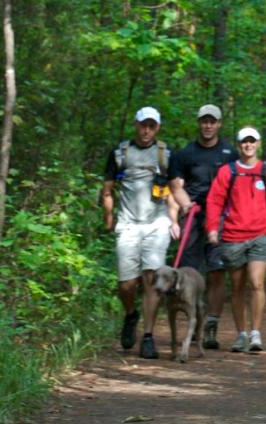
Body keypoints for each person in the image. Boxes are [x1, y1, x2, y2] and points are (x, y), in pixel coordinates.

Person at [205, 127, 266, 353]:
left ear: (258, 144)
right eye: (244, 142)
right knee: (237, 287)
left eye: (252, 141)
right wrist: (212, 229)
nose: (248, 145)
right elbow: (215, 201)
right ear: (238, 145)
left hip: (260, 235)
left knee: (257, 283)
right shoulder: (227, 172)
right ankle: (241, 334)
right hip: (233, 236)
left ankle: (256, 333)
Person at [101, 106, 174, 359]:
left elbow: (174, 189)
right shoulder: (121, 152)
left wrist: (174, 219)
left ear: (158, 128)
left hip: (157, 224)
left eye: (152, 126)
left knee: (151, 278)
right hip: (128, 223)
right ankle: (131, 314)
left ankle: (148, 336)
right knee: (126, 284)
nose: (146, 130)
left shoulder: (165, 154)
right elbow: (108, 188)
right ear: (136, 124)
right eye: (143, 125)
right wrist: (108, 216)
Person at [168, 104, 238, 350]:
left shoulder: (231, 153)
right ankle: (192, 324)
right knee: (189, 272)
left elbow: (238, 185)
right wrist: (186, 206)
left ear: (219, 124)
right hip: (194, 217)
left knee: (217, 272)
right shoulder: (184, 154)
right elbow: (176, 187)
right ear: (198, 123)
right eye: (204, 121)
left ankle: (211, 326)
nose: (208, 125)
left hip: (221, 219)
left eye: (213, 121)